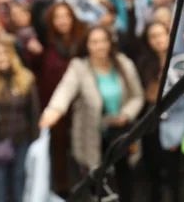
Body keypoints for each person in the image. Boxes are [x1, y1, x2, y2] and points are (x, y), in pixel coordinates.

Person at [39, 26, 144, 202]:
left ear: (110, 43)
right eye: (94, 42)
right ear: (87, 45)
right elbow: (64, 91)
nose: (100, 46)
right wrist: (53, 110)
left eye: (104, 41)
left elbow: (137, 96)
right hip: (92, 137)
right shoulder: (79, 68)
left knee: (125, 181)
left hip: (120, 134)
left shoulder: (123, 63)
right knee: (97, 185)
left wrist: (125, 114)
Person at [28, 1, 86, 196]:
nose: (62, 21)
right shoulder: (46, 44)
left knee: (82, 147)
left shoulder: (83, 42)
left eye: (66, 16)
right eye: (57, 17)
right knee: (59, 149)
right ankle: (63, 189)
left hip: (80, 106)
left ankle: (86, 185)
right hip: (54, 107)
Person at [0, 38, 40, 202]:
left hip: (22, 141)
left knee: (20, 188)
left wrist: (36, 142)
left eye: (3, 53)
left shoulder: (25, 78)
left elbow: (33, 112)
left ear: (11, 55)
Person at [137, 22, 184, 202]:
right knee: (154, 168)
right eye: (153, 36)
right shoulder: (144, 63)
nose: (158, 40)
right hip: (154, 121)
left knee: (175, 169)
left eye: (161, 35)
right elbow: (147, 94)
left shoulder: (180, 59)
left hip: (177, 117)